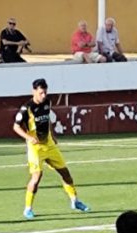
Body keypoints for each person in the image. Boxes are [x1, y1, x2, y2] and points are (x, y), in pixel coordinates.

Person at [12, 78, 90, 219]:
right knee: (37, 177)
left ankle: (75, 201)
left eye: (45, 93)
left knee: (65, 173)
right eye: (41, 93)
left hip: (49, 145)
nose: (44, 96)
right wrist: (28, 137)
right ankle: (28, 208)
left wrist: (52, 135)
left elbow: (47, 121)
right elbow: (16, 126)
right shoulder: (26, 108)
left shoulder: (48, 102)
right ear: (34, 91)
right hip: (36, 148)